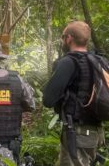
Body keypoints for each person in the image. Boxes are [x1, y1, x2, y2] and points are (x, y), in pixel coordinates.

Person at [43, 21, 105, 166]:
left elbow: (48, 100)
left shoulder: (68, 62)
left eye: (63, 37)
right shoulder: (98, 60)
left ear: (69, 38)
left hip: (78, 133)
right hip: (96, 131)